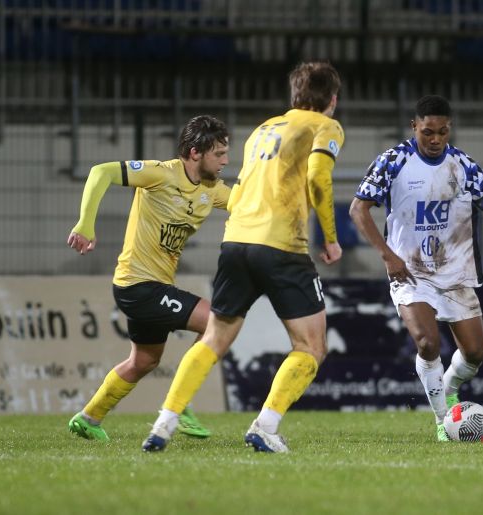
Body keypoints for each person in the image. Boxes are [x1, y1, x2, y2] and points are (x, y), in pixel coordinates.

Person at [142, 61, 345, 453]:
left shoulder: (262, 130)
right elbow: (319, 175)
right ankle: (265, 426)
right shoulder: (325, 125)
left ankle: (164, 422)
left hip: (235, 241)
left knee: (215, 338)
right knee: (311, 347)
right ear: (332, 99)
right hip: (282, 244)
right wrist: (331, 239)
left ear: (294, 96)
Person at [349, 95, 483, 441]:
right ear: (414, 127)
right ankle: (442, 421)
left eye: (442, 132)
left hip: (455, 273)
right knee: (426, 342)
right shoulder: (393, 161)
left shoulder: (464, 165)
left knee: (476, 353)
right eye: (428, 132)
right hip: (410, 272)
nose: (435, 139)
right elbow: (358, 209)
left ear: (449, 129)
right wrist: (388, 256)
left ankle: (449, 390)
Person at [66, 115, 231, 442]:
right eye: (219, 154)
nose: (225, 161)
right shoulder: (161, 173)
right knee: (218, 323)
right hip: (137, 285)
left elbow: (249, 204)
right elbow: (102, 172)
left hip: (154, 286)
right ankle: (179, 400)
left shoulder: (211, 191)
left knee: (143, 361)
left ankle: (88, 418)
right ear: (195, 153)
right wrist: (86, 224)